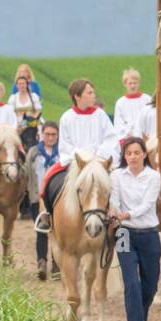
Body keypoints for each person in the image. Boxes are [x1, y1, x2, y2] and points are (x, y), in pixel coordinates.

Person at [34, 78, 118, 233]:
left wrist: (99, 155)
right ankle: (47, 213)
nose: (94, 95)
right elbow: (65, 144)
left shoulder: (100, 115)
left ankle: (118, 218)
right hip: (75, 161)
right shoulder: (67, 117)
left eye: (93, 92)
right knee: (48, 177)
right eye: (90, 92)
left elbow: (111, 138)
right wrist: (81, 157)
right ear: (77, 96)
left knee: (118, 181)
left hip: (99, 161)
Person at [110, 136, 161, 321]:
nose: (132, 156)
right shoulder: (116, 176)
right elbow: (114, 199)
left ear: (144, 155)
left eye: (136, 153)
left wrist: (125, 214)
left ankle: (138, 318)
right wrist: (115, 212)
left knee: (149, 287)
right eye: (129, 153)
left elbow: (148, 205)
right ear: (124, 156)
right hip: (124, 234)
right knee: (131, 284)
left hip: (149, 234)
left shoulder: (153, 177)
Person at [26, 121, 60, 279]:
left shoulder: (62, 153)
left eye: (53, 134)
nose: (50, 137)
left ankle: (57, 264)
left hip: (57, 199)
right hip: (38, 197)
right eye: (47, 134)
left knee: (58, 232)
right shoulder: (34, 153)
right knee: (41, 231)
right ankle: (41, 261)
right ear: (42, 134)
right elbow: (27, 174)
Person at [113, 67, 153, 148]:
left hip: (145, 137)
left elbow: (151, 118)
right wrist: (127, 133)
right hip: (128, 139)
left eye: (135, 83)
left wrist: (146, 133)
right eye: (130, 83)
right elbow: (118, 123)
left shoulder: (147, 99)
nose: (133, 86)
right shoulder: (120, 102)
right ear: (125, 84)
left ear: (139, 83)